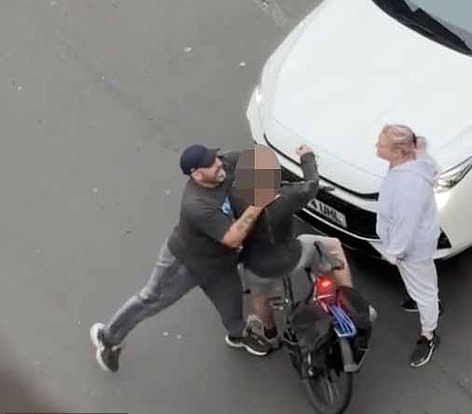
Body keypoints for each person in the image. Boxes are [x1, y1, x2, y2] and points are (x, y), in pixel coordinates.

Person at [89, 144, 271, 372]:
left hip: (220, 263)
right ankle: (108, 339)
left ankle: (237, 336)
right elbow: (233, 237)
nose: (218, 164)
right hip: (184, 263)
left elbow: (256, 158)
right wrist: (258, 204)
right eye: (211, 164)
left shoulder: (223, 165)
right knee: (150, 299)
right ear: (196, 174)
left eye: (215, 158)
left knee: (232, 305)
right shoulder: (197, 204)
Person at [230, 144, 356, 347]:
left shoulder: (235, 199)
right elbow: (312, 184)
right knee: (332, 245)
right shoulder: (286, 196)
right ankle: (350, 302)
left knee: (259, 297)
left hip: (258, 267)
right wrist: (307, 157)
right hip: (293, 256)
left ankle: (270, 335)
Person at [375, 124, 441, 367]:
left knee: (424, 291)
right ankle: (425, 300)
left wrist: (394, 252)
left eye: (381, 145)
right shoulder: (414, 163)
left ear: (398, 152)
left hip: (410, 248)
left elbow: (406, 223)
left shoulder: (408, 186)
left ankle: (429, 334)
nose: (376, 147)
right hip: (421, 242)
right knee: (424, 276)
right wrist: (419, 146)